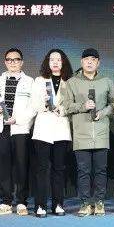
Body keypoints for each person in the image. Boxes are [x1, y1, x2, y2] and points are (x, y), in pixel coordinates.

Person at [59, 48, 114, 216]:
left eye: (93, 59)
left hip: (101, 133)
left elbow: (113, 104)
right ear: (82, 62)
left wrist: (102, 113)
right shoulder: (72, 82)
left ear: (98, 63)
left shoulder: (106, 81)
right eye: (86, 59)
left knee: (101, 170)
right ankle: (84, 203)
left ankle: (99, 202)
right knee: (83, 171)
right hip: (81, 133)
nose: (90, 62)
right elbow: (66, 106)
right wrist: (84, 106)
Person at [0, 48, 36, 215]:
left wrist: (18, 119)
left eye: (16, 60)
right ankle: (6, 201)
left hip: (20, 128)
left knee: (21, 165)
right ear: (5, 62)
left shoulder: (30, 82)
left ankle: (22, 201)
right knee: (3, 165)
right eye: (9, 60)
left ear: (21, 62)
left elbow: (34, 107)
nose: (13, 62)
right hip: (1, 128)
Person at [31, 49, 74, 217]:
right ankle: (40, 205)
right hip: (43, 130)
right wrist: (44, 104)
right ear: (47, 62)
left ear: (64, 62)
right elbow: (34, 104)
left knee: (59, 169)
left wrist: (62, 109)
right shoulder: (39, 81)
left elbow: (72, 105)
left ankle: (58, 204)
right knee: (42, 169)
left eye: (58, 59)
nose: (55, 62)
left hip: (61, 129)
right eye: (52, 59)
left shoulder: (69, 82)